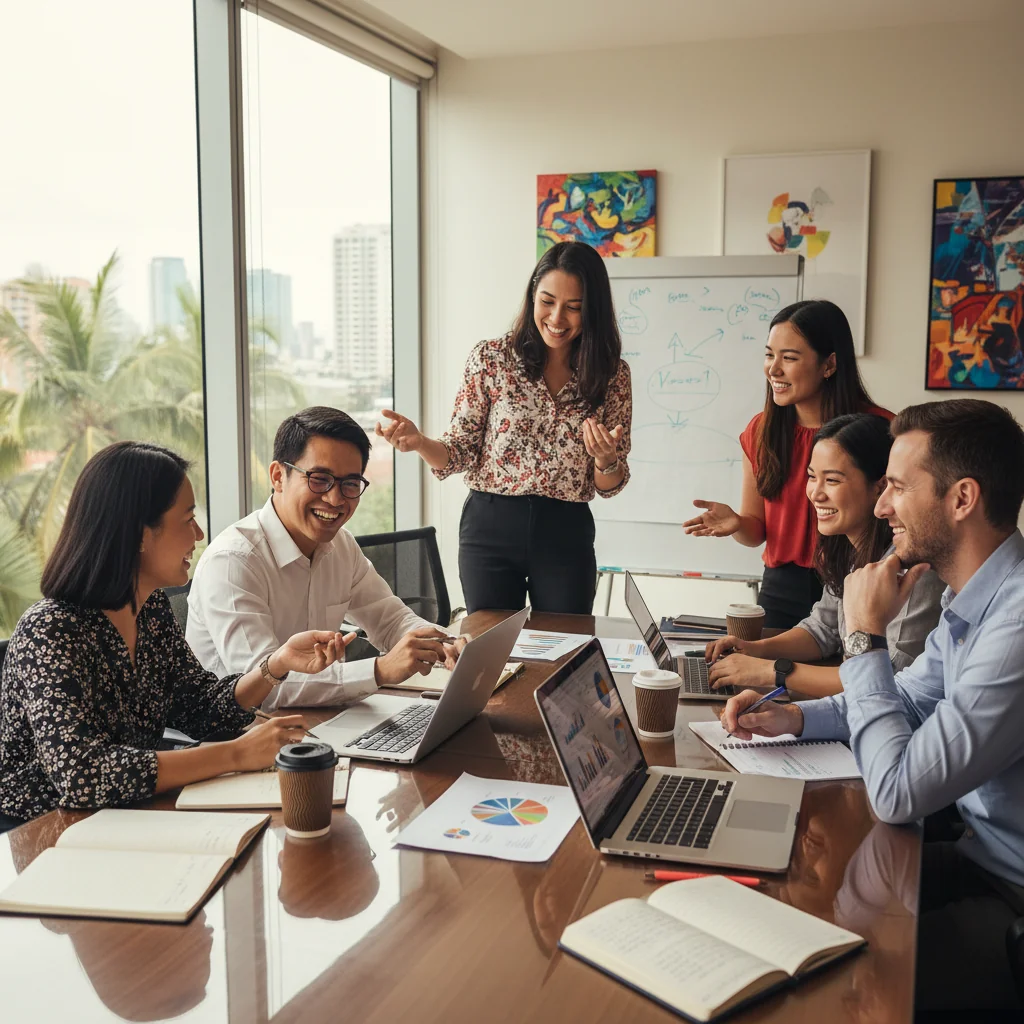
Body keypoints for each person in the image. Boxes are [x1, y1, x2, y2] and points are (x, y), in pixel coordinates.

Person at [722, 399, 1024, 1015]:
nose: (882, 506)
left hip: (1011, 892)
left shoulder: (1016, 623)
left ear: (962, 498)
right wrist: (798, 717)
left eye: (895, 487)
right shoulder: (978, 600)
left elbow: (896, 792)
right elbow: (908, 699)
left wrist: (864, 640)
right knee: (779, 901)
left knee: (817, 983)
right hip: (978, 855)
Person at [0, 441, 348, 830]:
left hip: (128, 817)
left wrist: (275, 665)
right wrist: (236, 755)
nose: (199, 534)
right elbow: (82, 774)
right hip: (41, 835)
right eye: (187, 519)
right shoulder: (50, 629)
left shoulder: (150, 610)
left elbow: (200, 708)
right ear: (139, 534)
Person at [375, 240, 632, 615]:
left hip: (565, 532)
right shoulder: (491, 358)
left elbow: (608, 486)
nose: (557, 318)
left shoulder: (612, 375)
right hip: (490, 528)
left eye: (574, 307)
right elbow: (459, 450)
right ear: (531, 297)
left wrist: (606, 460)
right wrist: (420, 442)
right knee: (492, 651)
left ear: (592, 311)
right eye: (547, 302)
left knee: (565, 649)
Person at [187, 407, 462, 711]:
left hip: (320, 719)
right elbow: (263, 688)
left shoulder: (340, 545)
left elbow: (389, 619)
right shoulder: (233, 562)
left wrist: (446, 644)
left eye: (351, 484)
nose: (335, 499)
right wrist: (380, 669)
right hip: (239, 736)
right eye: (319, 479)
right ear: (279, 476)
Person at [683, 300, 890, 628]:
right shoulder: (760, 431)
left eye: (789, 358)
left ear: (829, 364)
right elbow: (757, 531)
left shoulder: (881, 430)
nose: (773, 369)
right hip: (781, 589)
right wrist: (737, 523)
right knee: (767, 675)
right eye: (769, 355)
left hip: (860, 580)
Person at [705, 414, 944, 697]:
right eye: (811, 477)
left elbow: (889, 677)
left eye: (832, 480)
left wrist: (772, 672)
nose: (815, 494)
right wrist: (755, 649)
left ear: (880, 488)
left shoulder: (913, 567)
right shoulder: (848, 548)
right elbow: (823, 628)